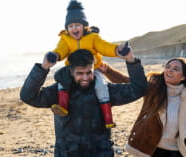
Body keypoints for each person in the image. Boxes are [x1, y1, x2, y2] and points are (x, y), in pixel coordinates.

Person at [20, 49, 147, 157]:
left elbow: (138, 89)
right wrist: (43, 68)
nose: (85, 78)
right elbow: (28, 96)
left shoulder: (105, 90)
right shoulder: (57, 92)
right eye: (80, 73)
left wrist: (131, 60)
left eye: (89, 73)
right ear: (70, 71)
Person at [99, 58, 186, 157]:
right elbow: (129, 83)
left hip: (176, 150)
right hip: (152, 148)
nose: (170, 70)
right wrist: (107, 70)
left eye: (175, 69)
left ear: (183, 77)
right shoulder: (153, 89)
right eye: (168, 67)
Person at [46, 0, 130, 128]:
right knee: (62, 82)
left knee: (101, 86)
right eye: (71, 26)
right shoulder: (65, 39)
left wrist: (117, 50)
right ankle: (62, 106)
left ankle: (108, 118)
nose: (74, 28)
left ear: (84, 26)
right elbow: (61, 50)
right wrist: (55, 55)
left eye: (77, 25)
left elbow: (104, 47)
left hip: (92, 69)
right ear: (67, 28)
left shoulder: (93, 38)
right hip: (73, 70)